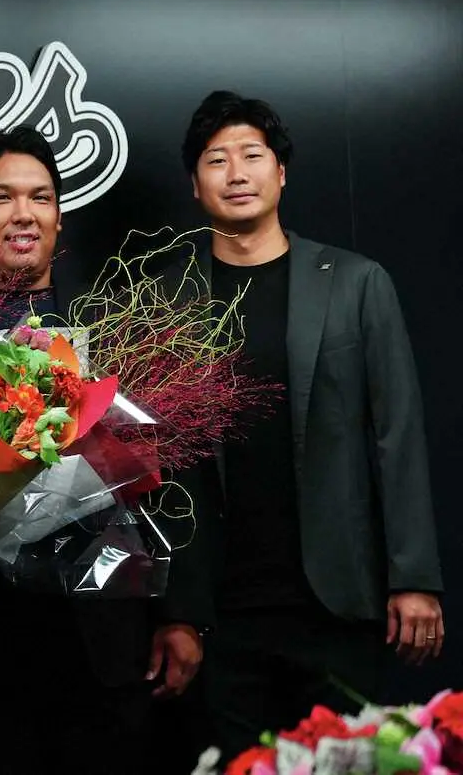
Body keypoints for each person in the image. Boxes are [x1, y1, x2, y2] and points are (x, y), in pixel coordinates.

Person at [0, 125, 213, 775]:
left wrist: (181, 617)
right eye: (2, 198)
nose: (24, 214)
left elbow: (175, 476)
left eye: (42, 197)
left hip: (108, 641)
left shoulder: (115, 326)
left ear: (59, 215)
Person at [175, 90, 446, 760]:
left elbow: (399, 436)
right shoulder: (169, 301)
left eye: (252, 155)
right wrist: (174, 612)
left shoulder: (356, 283)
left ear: (281, 172)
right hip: (223, 615)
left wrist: (414, 578)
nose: (236, 173)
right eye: (216, 160)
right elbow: (159, 465)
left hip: (337, 602)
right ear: (195, 184)